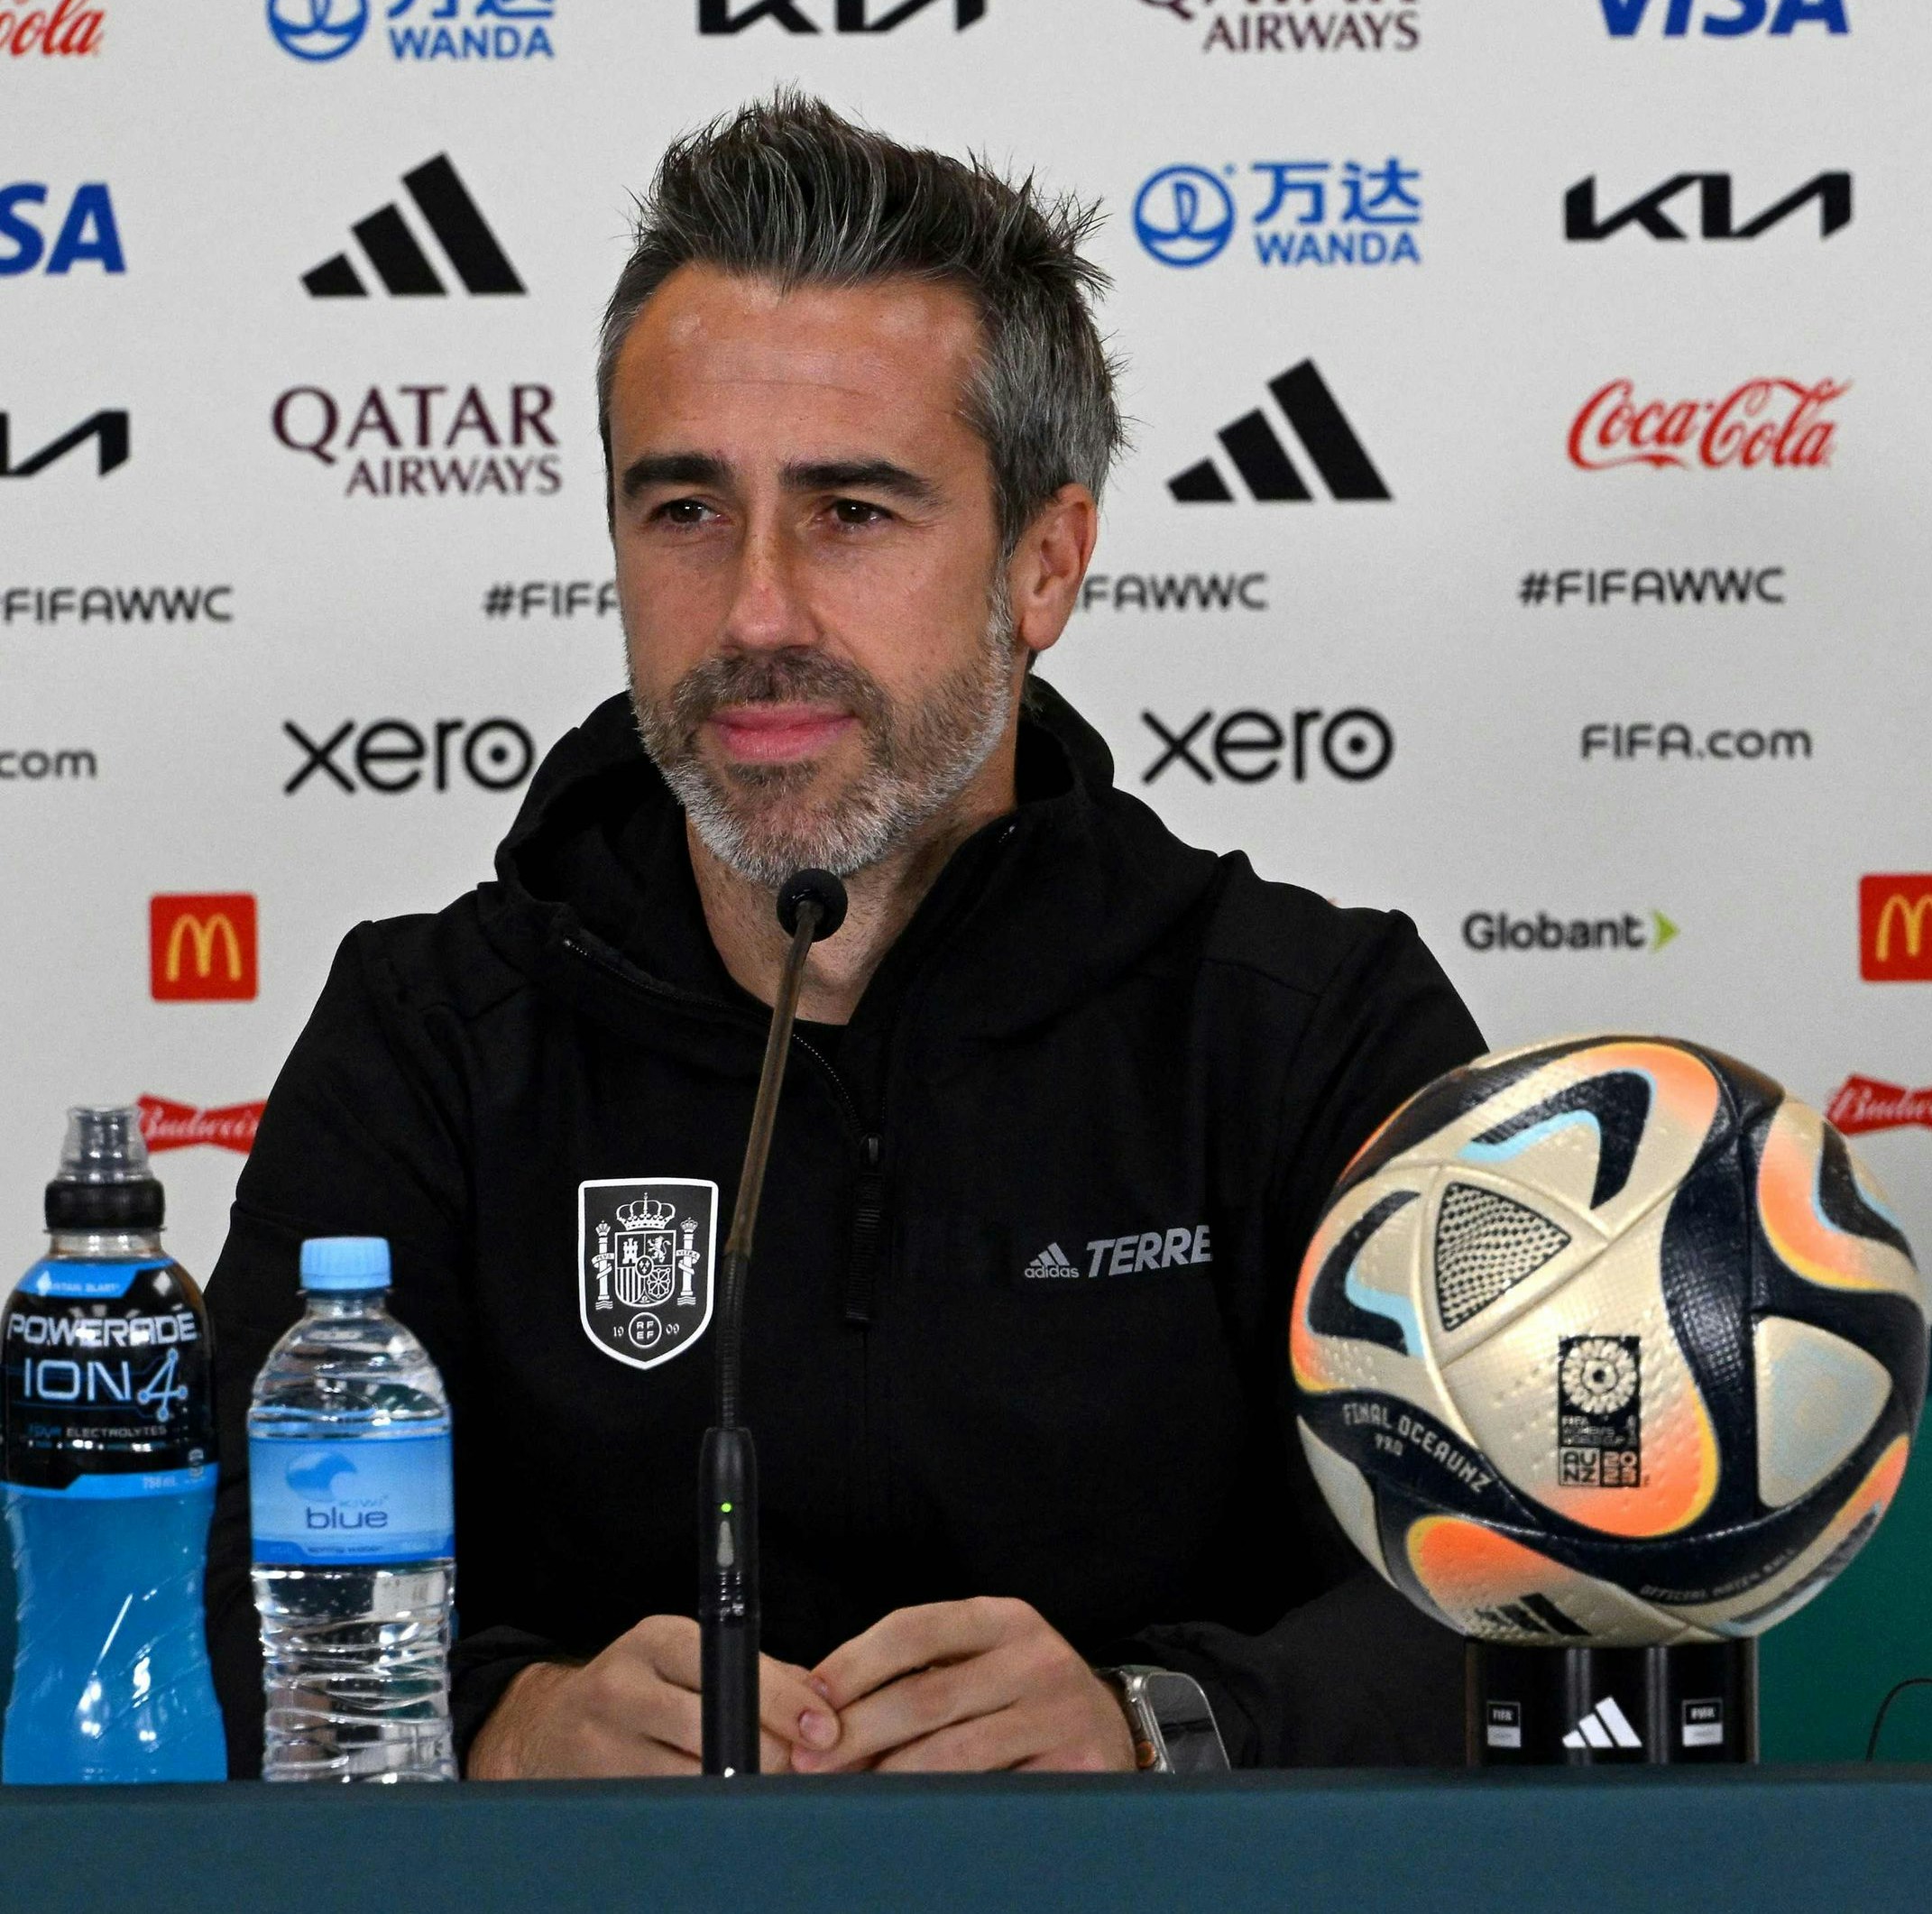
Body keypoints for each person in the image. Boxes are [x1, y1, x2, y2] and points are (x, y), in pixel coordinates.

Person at [203, 93, 1486, 1777]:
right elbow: (214, 1581)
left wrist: (1166, 1722)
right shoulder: (432, 1034)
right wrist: (504, 1720)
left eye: (852, 512)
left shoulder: (1304, 1027)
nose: (752, 610)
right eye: (683, 510)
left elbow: (1530, 1576)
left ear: (1044, 565)